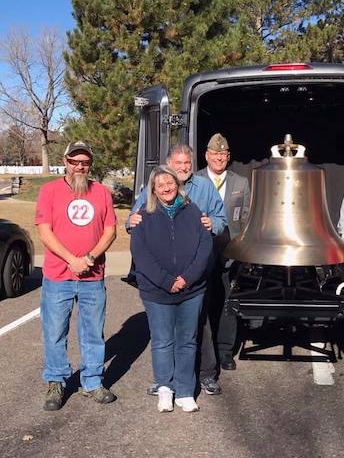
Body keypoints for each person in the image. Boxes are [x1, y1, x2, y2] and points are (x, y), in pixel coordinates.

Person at [127, 143, 227, 396]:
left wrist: (211, 223)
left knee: (197, 328)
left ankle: (204, 375)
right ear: (169, 164)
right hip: (161, 278)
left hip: (197, 273)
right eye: (178, 163)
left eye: (187, 163)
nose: (183, 168)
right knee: (164, 333)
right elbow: (136, 217)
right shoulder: (156, 186)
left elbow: (221, 219)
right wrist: (131, 221)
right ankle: (166, 381)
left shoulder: (204, 187)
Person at [36, 141, 117, 411]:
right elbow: (45, 231)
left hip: (92, 277)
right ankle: (56, 381)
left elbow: (110, 232)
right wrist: (71, 259)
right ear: (65, 161)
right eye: (74, 161)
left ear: (89, 164)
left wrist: (90, 258)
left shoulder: (102, 192)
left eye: (84, 162)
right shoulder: (49, 191)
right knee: (55, 332)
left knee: (93, 332)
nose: (79, 166)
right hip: (58, 276)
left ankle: (92, 381)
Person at [198, 133, 250, 371]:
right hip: (201, 252)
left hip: (230, 252)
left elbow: (247, 217)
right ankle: (203, 350)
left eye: (223, 154)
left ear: (228, 157)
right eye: (215, 154)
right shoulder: (195, 180)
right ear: (206, 155)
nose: (219, 158)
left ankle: (225, 351)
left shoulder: (241, 182)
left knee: (229, 303)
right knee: (204, 303)